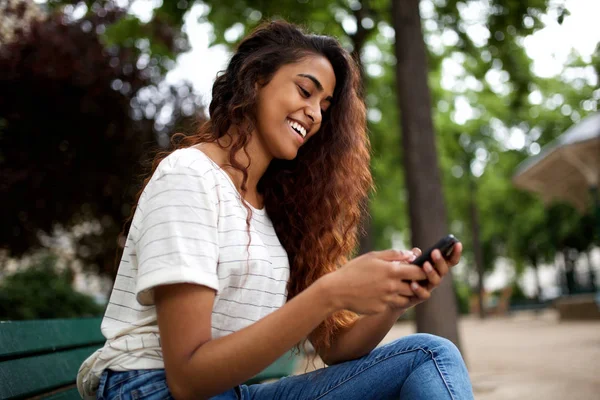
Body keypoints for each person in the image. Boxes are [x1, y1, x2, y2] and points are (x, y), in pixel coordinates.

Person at [77, 20, 473, 400]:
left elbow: (335, 348)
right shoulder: (189, 176)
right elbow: (187, 378)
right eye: (305, 91)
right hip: (151, 389)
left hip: (224, 393)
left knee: (428, 357)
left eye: (324, 104)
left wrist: (393, 300)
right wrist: (329, 293)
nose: (316, 113)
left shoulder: (275, 209)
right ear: (255, 81)